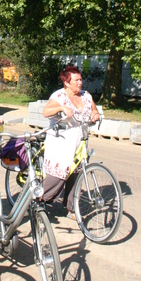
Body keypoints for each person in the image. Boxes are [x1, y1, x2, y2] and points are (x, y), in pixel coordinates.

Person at [42, 65, 99, 217]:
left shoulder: (86, 95)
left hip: (79, 142)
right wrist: (61, 108)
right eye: (76, 80)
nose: (80, 83)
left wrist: (95, 113)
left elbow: (94, 109)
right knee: (58, 177)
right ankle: (39, 199)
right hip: (61, 142)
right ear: (67, 82)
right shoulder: (59, 96)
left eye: (81, 79)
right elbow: (46, 111)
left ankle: (72, 208)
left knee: (76, 175)